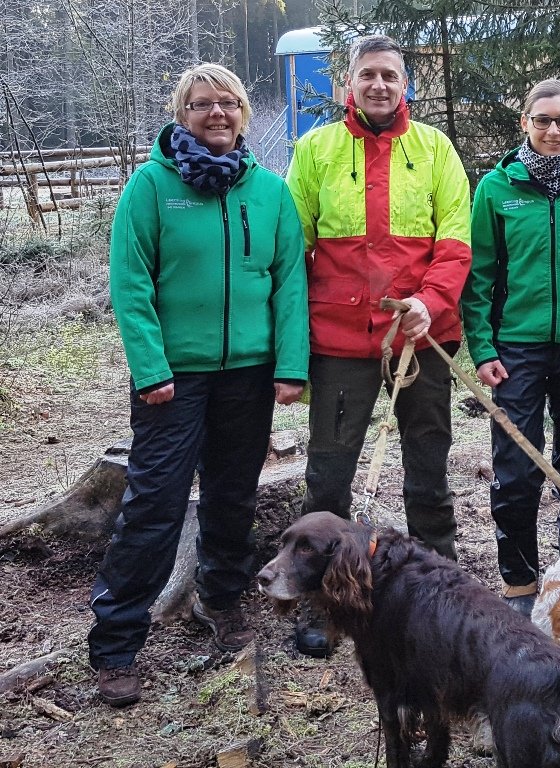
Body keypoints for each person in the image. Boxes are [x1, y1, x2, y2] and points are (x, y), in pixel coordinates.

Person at [89, 63, 309, 707]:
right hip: (172, 380)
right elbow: (130, 286)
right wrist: (152, 369)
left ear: (243, 113)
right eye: (203, 105)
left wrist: (289, 365)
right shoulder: (150, 188)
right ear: (181, 114)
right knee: (154, 507)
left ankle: (220, 601)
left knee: (233, 498)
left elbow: (290, 280)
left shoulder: (269, 192)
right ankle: (117, 643)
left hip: (247, 375)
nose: (218, 114)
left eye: (229, 104)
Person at [284, 35, 471, 656]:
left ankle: (439, 590)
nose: (380, 85)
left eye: (391, 75)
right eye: (368, 75)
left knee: (428, 470)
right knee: (330, 476)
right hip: (340, 342)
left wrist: (430, 302)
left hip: (422, 337)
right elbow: (294, 251)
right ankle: (321, 601)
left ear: (406, 83)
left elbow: (455, 244)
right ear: (349, 83)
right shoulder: (316, 150)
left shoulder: (435, 149)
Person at [461, 79, 560, 617]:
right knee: (516, 470)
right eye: (543, 120)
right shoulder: (495, 188)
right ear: (525, 125)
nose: (554, 130)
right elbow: (479, 274)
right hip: (517, 350)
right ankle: (519, 584)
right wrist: (483, 348)